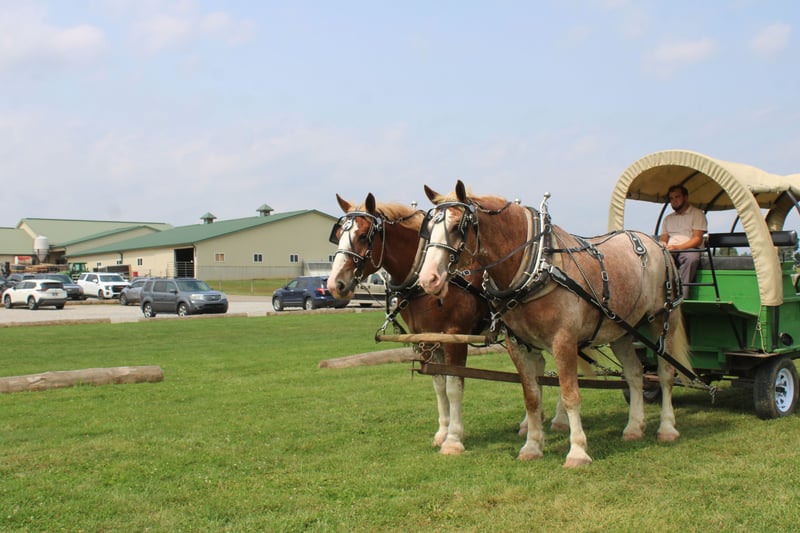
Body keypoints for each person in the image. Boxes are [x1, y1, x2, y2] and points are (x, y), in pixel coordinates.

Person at [660, 185, 708, 299]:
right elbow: (663, 239)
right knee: (657, 259)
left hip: (690, 249)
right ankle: (660, 294)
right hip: (671, 249)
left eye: (677, 197)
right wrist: (664, 245)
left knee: (691, 258)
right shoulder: (668, 218)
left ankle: (681, 295)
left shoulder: (697, 214)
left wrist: (678, 247)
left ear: (685, 197)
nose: (674, 201)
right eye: (671, 198)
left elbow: (697, 239)